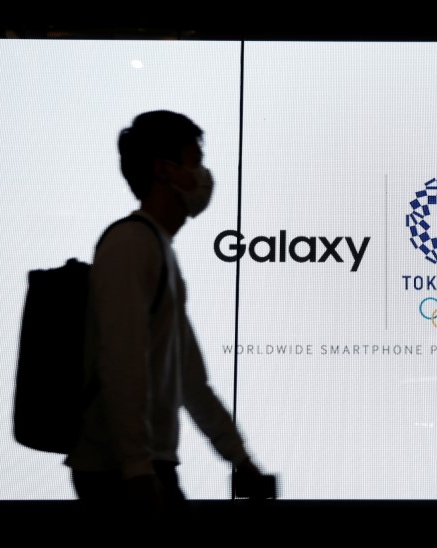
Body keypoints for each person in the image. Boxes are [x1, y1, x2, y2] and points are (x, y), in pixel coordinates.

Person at [65, 110, 263, 514]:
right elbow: (122, 362)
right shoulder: (130, 247)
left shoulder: (157, 249)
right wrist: (137, 469)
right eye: (194, 161)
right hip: (118, 473)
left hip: (143, 467)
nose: (203, 176)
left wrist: (238, 458)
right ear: (164, 170)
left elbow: (190, 379)